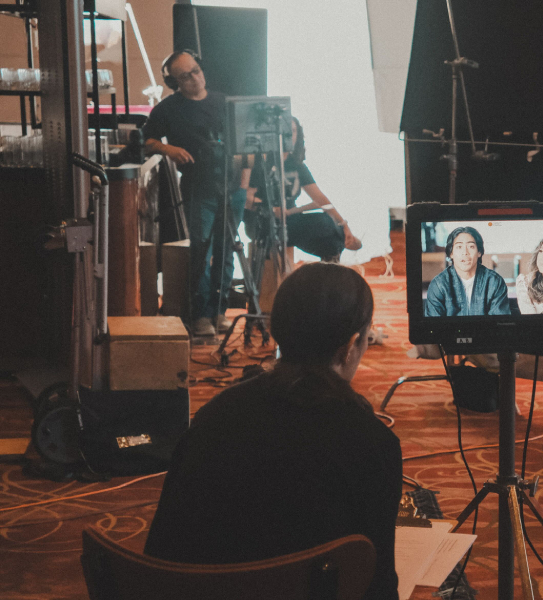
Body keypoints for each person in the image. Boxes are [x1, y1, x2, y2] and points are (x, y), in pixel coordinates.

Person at [145, 263, 401, 600]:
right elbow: (376, 585)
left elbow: (163, 549)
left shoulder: (214, 417)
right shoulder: (372, 442)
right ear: (351, 344)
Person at [143, 50, 246, 337]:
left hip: (232, 185)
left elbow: (244, 145)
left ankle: (219, 311)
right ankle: (200, 315)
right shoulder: (168, 109)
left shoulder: (224, 102)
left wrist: (245, 185)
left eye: (196, 70)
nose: (194, 79)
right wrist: (168, 149)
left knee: (227, 251)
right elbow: (146, 140)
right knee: (201, 249)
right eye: (185, 76)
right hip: (199, 187)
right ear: (174, 82)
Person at [244, 116, 362, 263]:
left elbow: (320, 199)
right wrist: (272, 210)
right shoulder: (261, 160)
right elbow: (246, 198)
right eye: (285, 131)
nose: (290, 135)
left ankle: (328, 277)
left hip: (291, 221)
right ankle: (340, 239)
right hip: (263, 222)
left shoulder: (297, 165)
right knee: (325, 223)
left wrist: (343, 224)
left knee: (332, 241)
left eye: (293, 131)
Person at [424, 226, 510, 316]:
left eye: (471, 246)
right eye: (459, 247)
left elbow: (499, 323)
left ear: (479, 252)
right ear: (451, 253)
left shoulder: (494, 281)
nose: (465, 252)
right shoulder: (439, 284)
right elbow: (434, 326)